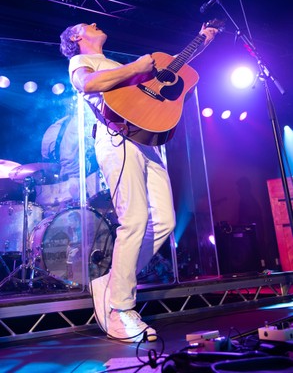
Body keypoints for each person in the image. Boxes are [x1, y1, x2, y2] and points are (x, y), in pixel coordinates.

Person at [59, 21, 218, 343]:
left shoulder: (119, 65)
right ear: (77, 37)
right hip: (116, 138)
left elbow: (174, 66)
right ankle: (119, 308)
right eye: (86, 24)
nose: (94, 22)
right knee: (133, 220)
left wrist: (202, 39)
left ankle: (112, 282)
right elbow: (87, 85)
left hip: (148, 142)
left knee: (164, 221)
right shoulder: (81, 61)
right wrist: (137, 66)